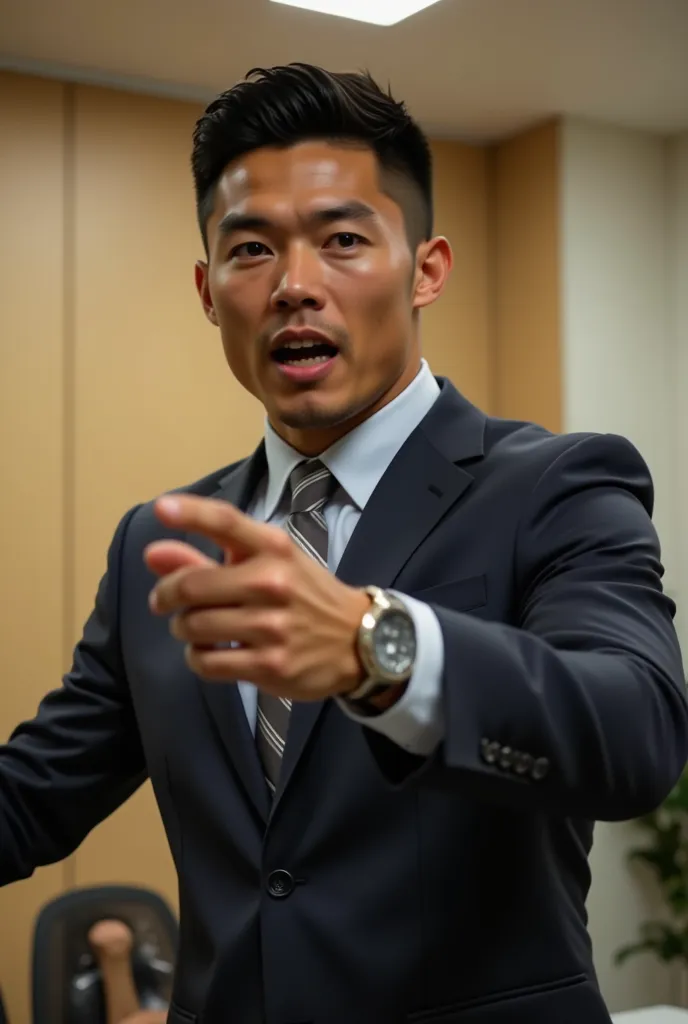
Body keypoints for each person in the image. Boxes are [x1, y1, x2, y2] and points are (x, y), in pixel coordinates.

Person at [1, 63, 686, 1024]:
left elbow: (636, 734)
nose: (293, 285)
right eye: (250, 251)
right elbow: (29, 799)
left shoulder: (555, 485)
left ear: (426, 269)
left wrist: (380, 651)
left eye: (343, 241)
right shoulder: (161, 546)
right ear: (207, 291)